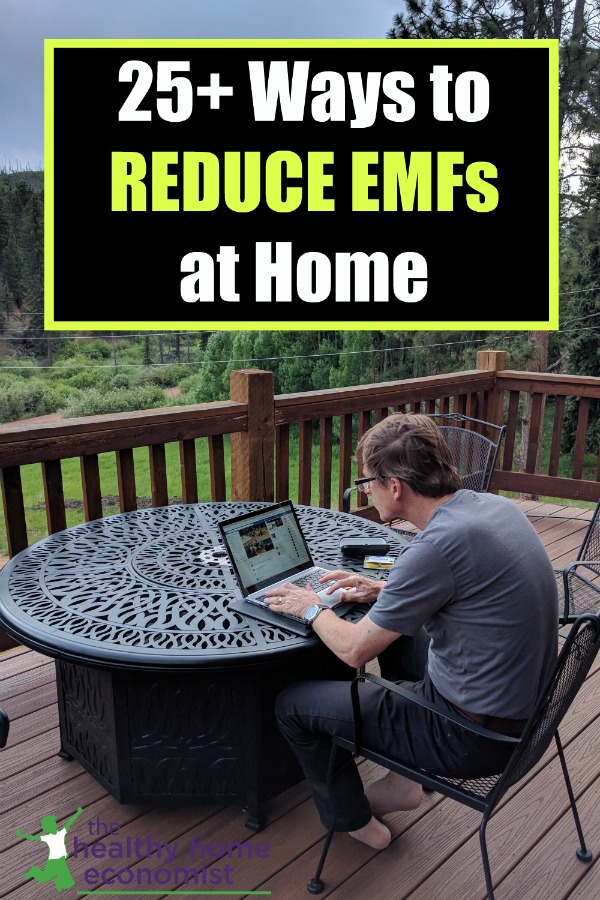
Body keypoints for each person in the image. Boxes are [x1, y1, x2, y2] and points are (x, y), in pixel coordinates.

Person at [263, 413, 558, 850]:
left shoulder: (435, 547)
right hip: (525, 711)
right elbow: (465, 586)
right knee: (403, 637)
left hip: (473, 736)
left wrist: (309, 608)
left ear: (395, 487)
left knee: (292, 705)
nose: (366, 492)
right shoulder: (496, 508)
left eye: (367, 482)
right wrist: (383, 589)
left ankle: (354, 819)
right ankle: (404, 782)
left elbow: (354, 651)